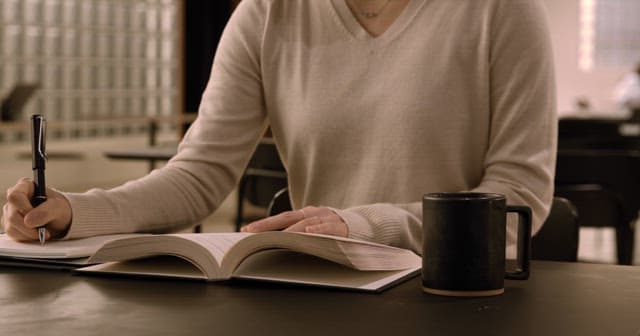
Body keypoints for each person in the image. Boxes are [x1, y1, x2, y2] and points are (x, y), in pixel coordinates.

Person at [2, 0, 557, 255]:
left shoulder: (502, 11)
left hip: (461, 297)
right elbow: (198, 176)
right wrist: (76, 211)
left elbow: (517, 202)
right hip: (321, 290)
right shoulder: (266, 13)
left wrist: (362, 224)